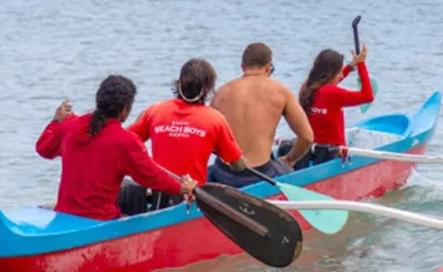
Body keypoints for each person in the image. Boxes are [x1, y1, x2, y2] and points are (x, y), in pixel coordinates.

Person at [35, 75, 197, 221]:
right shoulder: (126, 140)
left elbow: (43, 149)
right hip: (101, 219)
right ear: (125, 110)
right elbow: (151, 176)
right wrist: (182, 187)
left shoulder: (70, 125)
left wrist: (56, 121)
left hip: (65, 214)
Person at [124, 58, 248, 211]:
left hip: (159, 196)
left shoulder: (155, 110)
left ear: (180, 83)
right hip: (192, 199)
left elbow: (125, 142)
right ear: (208, 88)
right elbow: (239, 166)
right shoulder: (216, 120)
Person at [208, 42, 314, 187]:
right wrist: (289, 160)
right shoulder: (280, 91)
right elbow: (307, 137)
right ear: (268, 67)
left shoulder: (221, 92)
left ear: (242, 67)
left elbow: (208, 138)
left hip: (224, 173)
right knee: (287, 168)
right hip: (260, 174)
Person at [280, 44, 373, 169]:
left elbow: (327, 87)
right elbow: (368, 96)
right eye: (339, 72)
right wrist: (361, 65)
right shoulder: (333, 93)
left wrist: (350, 67)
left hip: (310, 152)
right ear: (330, 74)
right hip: (335, 155)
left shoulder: (307, 87)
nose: (341, 76)